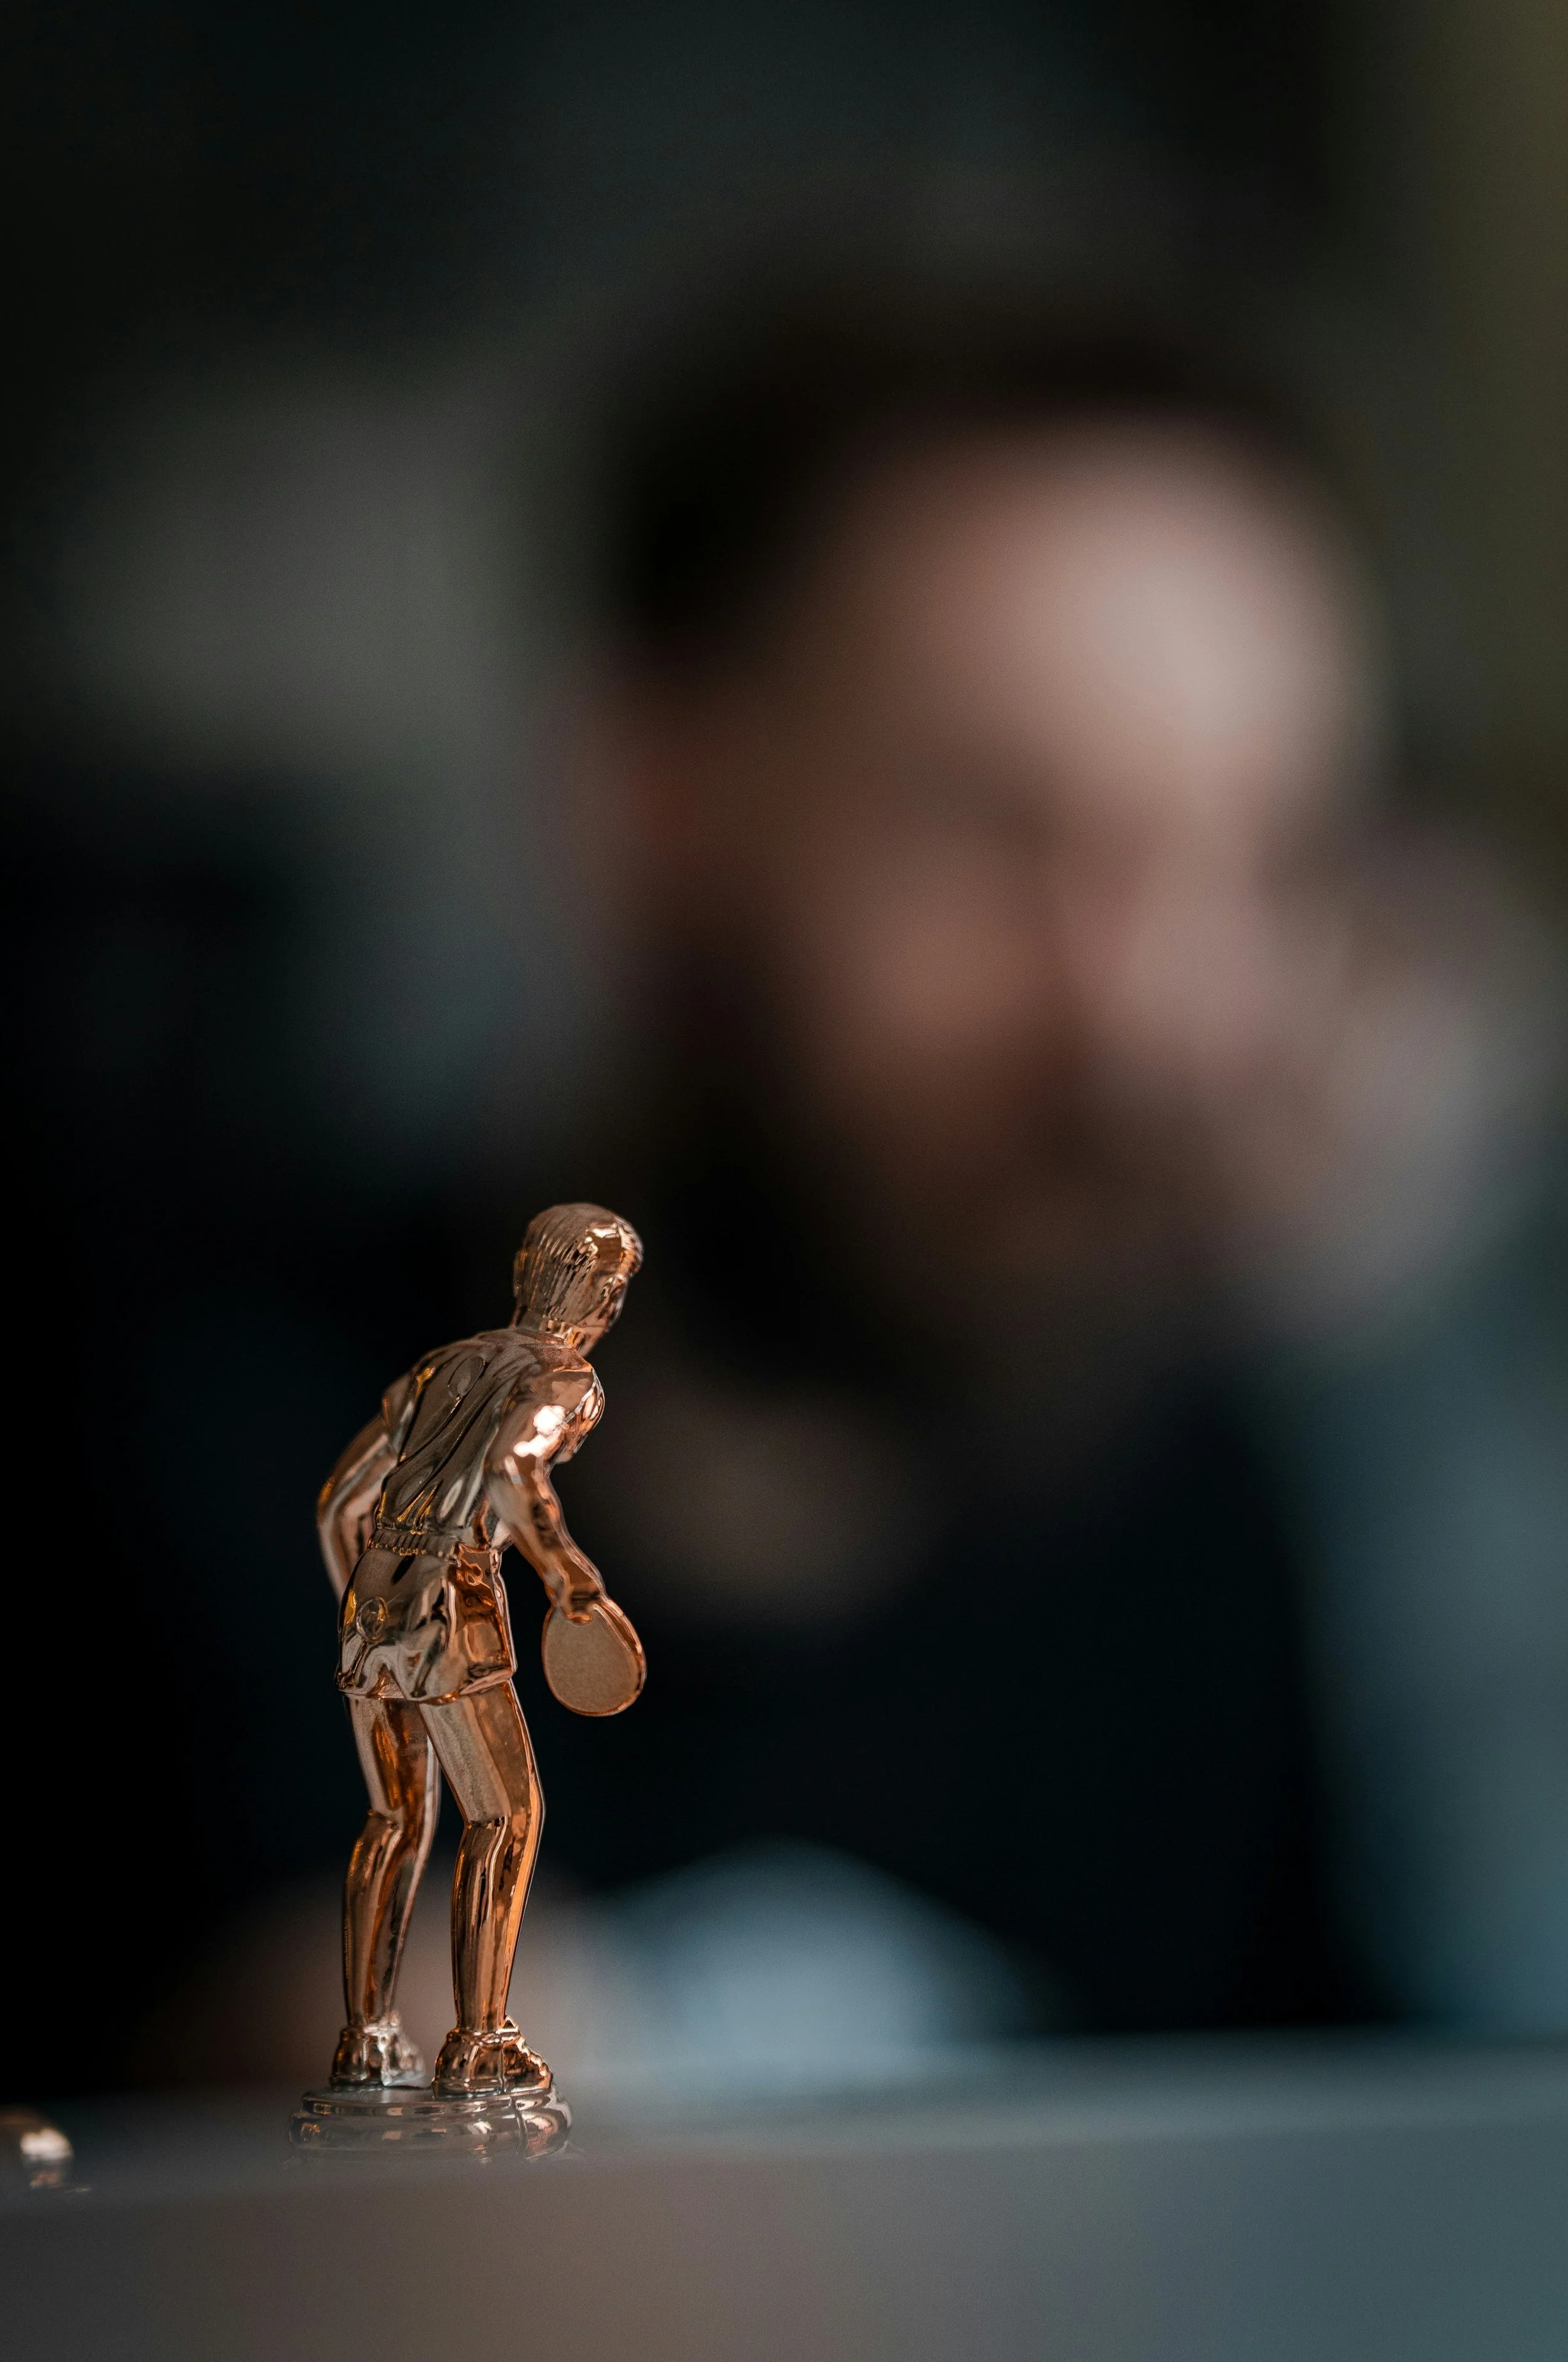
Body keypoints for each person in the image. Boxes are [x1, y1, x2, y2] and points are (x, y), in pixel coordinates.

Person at [489, 273, 1565, 2041]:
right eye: (993, 828)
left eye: (1259, 855)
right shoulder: (216, 1476)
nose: (1150, 1019)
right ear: (651, 797)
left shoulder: (1227, 1491)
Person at [315, 1201, 644, 2096]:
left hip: (371, 1600)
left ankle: (368, 2036)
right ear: (594, 1292)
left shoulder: (440, 1364)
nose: (612, 1306)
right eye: (613, 1287)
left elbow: (340, 1504)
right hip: (452, 1601)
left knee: (393, 1821)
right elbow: (511, 1472)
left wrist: (370, 1598)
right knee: (509, 1814)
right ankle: (480, 2039)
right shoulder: (566, 1377)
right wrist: (570, 1574)